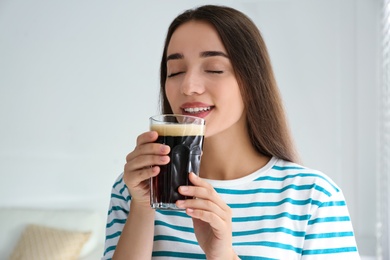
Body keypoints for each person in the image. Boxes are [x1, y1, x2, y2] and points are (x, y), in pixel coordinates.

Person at [102, 4, 360, 259]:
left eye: (214, 69)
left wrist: (223, 255)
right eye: (176, 71)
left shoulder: (313, 197)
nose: (189, 86)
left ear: (252, 80)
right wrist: (143, 208)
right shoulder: (132, 189)